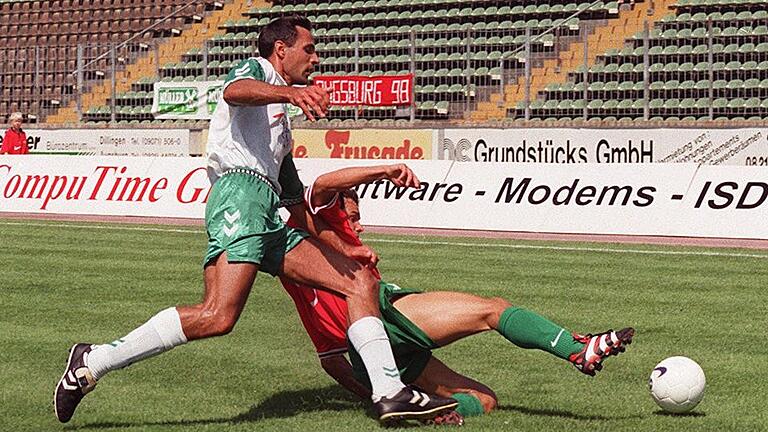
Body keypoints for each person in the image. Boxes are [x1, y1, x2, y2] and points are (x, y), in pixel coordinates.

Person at [53, 16, 456, 425]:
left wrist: (344, 246)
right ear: (281, 49)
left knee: (358, 280)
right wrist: (292, 93)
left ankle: (390, 392)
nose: (315, 58)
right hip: (240, 196)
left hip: (266, 210)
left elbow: (297, 203)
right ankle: (94, 361)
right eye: (309, 48)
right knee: (217, 316)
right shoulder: (257, 71)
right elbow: (234, 91)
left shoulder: (278, 120)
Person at [280, 163, 635, 422]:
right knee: (492, 310)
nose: (360, 225)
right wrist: (385, 171)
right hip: (381, 318)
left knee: (483, 400)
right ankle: (579, 349)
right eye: (354, 216)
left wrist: (370, 389)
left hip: (368, 352)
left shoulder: (293, 257)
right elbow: (324, 183)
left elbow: (330, 357)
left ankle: (427, 414)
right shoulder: (317, 219)